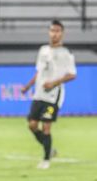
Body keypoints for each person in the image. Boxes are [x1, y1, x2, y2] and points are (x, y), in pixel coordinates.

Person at [21, 20, 77, 170]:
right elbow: (39, 72)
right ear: (49, 32)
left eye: (58, 31)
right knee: (32, 125)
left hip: (53, 96)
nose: (54, 33)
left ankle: (46, 160)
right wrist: (28, 86)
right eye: (52, 30)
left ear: (62, 33)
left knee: (46, 126)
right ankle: (50, 150)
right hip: (39, 94)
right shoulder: (43, 50)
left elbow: (72, 75)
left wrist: (54, 83)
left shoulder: (66, 53)